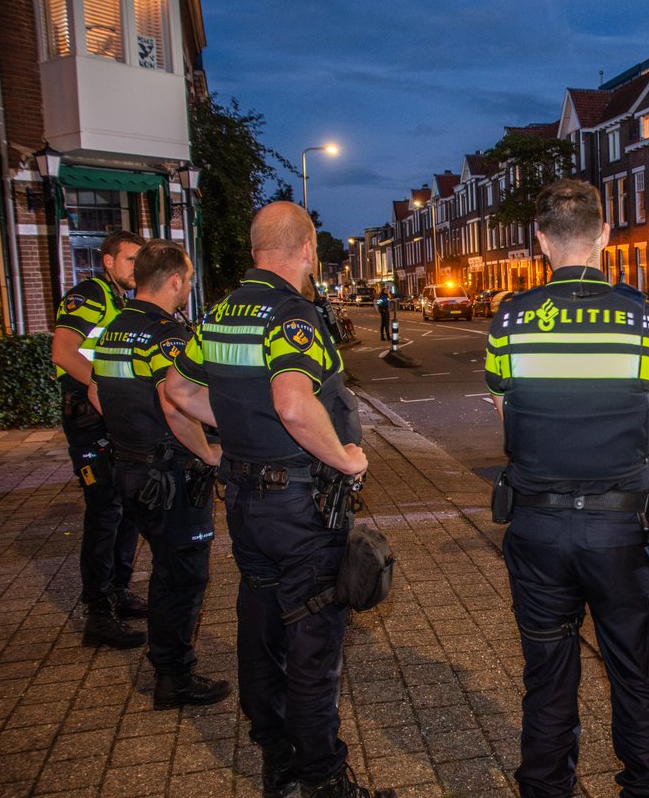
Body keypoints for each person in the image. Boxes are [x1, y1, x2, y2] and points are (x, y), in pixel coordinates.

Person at [168, 202, 394, 798]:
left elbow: (177, 390)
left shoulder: (218, 314)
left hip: (243, 499)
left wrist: (234, 434)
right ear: (307, 249)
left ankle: (278, 758)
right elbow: (295, 404)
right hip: (298, 505)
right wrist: (346, 458)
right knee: (313, 639)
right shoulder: (292, 315)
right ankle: (322, 779)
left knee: (261, 622)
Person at [484, 179, 649, 798]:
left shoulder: (510, 320)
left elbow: (503, 409)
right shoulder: (646, 319)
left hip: (537, 528)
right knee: (638, 679)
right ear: (605, 235)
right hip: (621, 529)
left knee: (546, 677)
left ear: (540, 240)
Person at [90, 240, 232, 710]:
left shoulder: (113, 329)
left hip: (128, 469)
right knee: (183, 577)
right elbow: (177, 405)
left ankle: (168, 661)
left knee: (164, 572)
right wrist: (209, 454)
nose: (189, 287)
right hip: (168, 477)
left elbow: (96, 389)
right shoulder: (163, 335)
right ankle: (174, 678)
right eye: (188, 280)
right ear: (173, 280)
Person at [51, 229, 147, 649]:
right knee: (104, 511)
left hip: (111, 417)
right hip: (90, 419)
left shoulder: (119, 300)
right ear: (108, 260)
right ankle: (97, 612)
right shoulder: (89, 294)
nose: (136, 269)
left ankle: (118, 590)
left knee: (126, 506)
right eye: (130, 260)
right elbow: (63, 351)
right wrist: (100, 385)